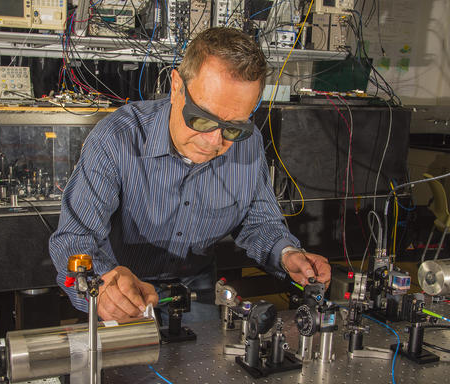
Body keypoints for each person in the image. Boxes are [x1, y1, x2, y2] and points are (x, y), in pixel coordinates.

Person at [49, 27, 331, 322]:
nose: (215, 142)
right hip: (125, 288)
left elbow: (258, 222)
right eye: (202, 119)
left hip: (198, 290)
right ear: (176, 87)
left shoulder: (249, 145)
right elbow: (75, 237)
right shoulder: (117, 139)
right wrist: (105, 285)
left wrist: (287, 255)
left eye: (234, 127)